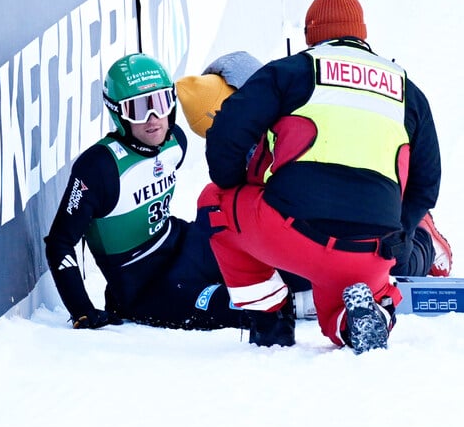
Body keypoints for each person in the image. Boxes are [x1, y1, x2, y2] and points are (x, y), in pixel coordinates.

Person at [201, 0, 442, 353]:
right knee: (344, 297)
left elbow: (227, 134)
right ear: (362, 33)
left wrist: (242, 186)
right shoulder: (408, 90)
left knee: (215, 203)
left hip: (293, 232)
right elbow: (426, 186)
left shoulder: (292, 70)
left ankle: (271, 318)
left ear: (311, 36)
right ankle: (366, 313)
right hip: (371, 249)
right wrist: (397, 235)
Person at [179, 50, 453, 321]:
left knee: (399, 259)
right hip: (318, 226)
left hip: (372, 216)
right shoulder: (273, 110)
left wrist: (405, 227)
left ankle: (425, 241)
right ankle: (350, 314)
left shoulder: (298, 111)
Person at [44, 53, 246, 331]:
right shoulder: (99, 168)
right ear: (118, 114)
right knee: (243, 307)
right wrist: (82, 310)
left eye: (161, 104)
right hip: (144, 284)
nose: (153, 119)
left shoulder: (176, 140)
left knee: (264, 258)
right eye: (138, 110)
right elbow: (59, 243)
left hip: (182, 244)